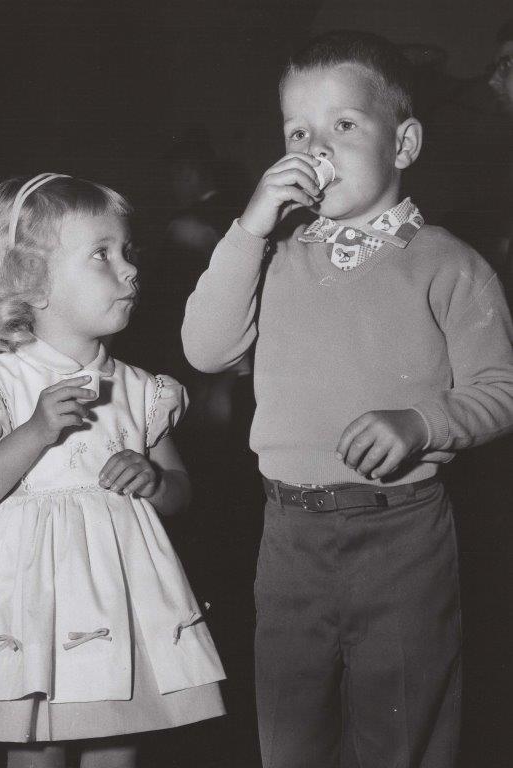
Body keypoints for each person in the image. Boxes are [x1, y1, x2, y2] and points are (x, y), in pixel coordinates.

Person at [182, 30, 513, 768]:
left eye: (343, 125)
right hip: (288, 534)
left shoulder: (450, 266)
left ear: (404, 143)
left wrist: (423, 421)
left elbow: (501, 390)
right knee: (290, 730)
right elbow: (207, 349)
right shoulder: (273, 256)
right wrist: (250, 225)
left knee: (402, 730)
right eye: (297, 131)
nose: (316, 148)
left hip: (402, 535)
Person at [0, 173, 225, 768]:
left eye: (128, 252)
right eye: (101, 254)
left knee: (117, 743)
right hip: (30, 607)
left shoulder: (141, 390)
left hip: (121, 599)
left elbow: (180, 493)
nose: (129, 270)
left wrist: (154, 481)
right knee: (40, 746)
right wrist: (35, 431)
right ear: (33, 285)